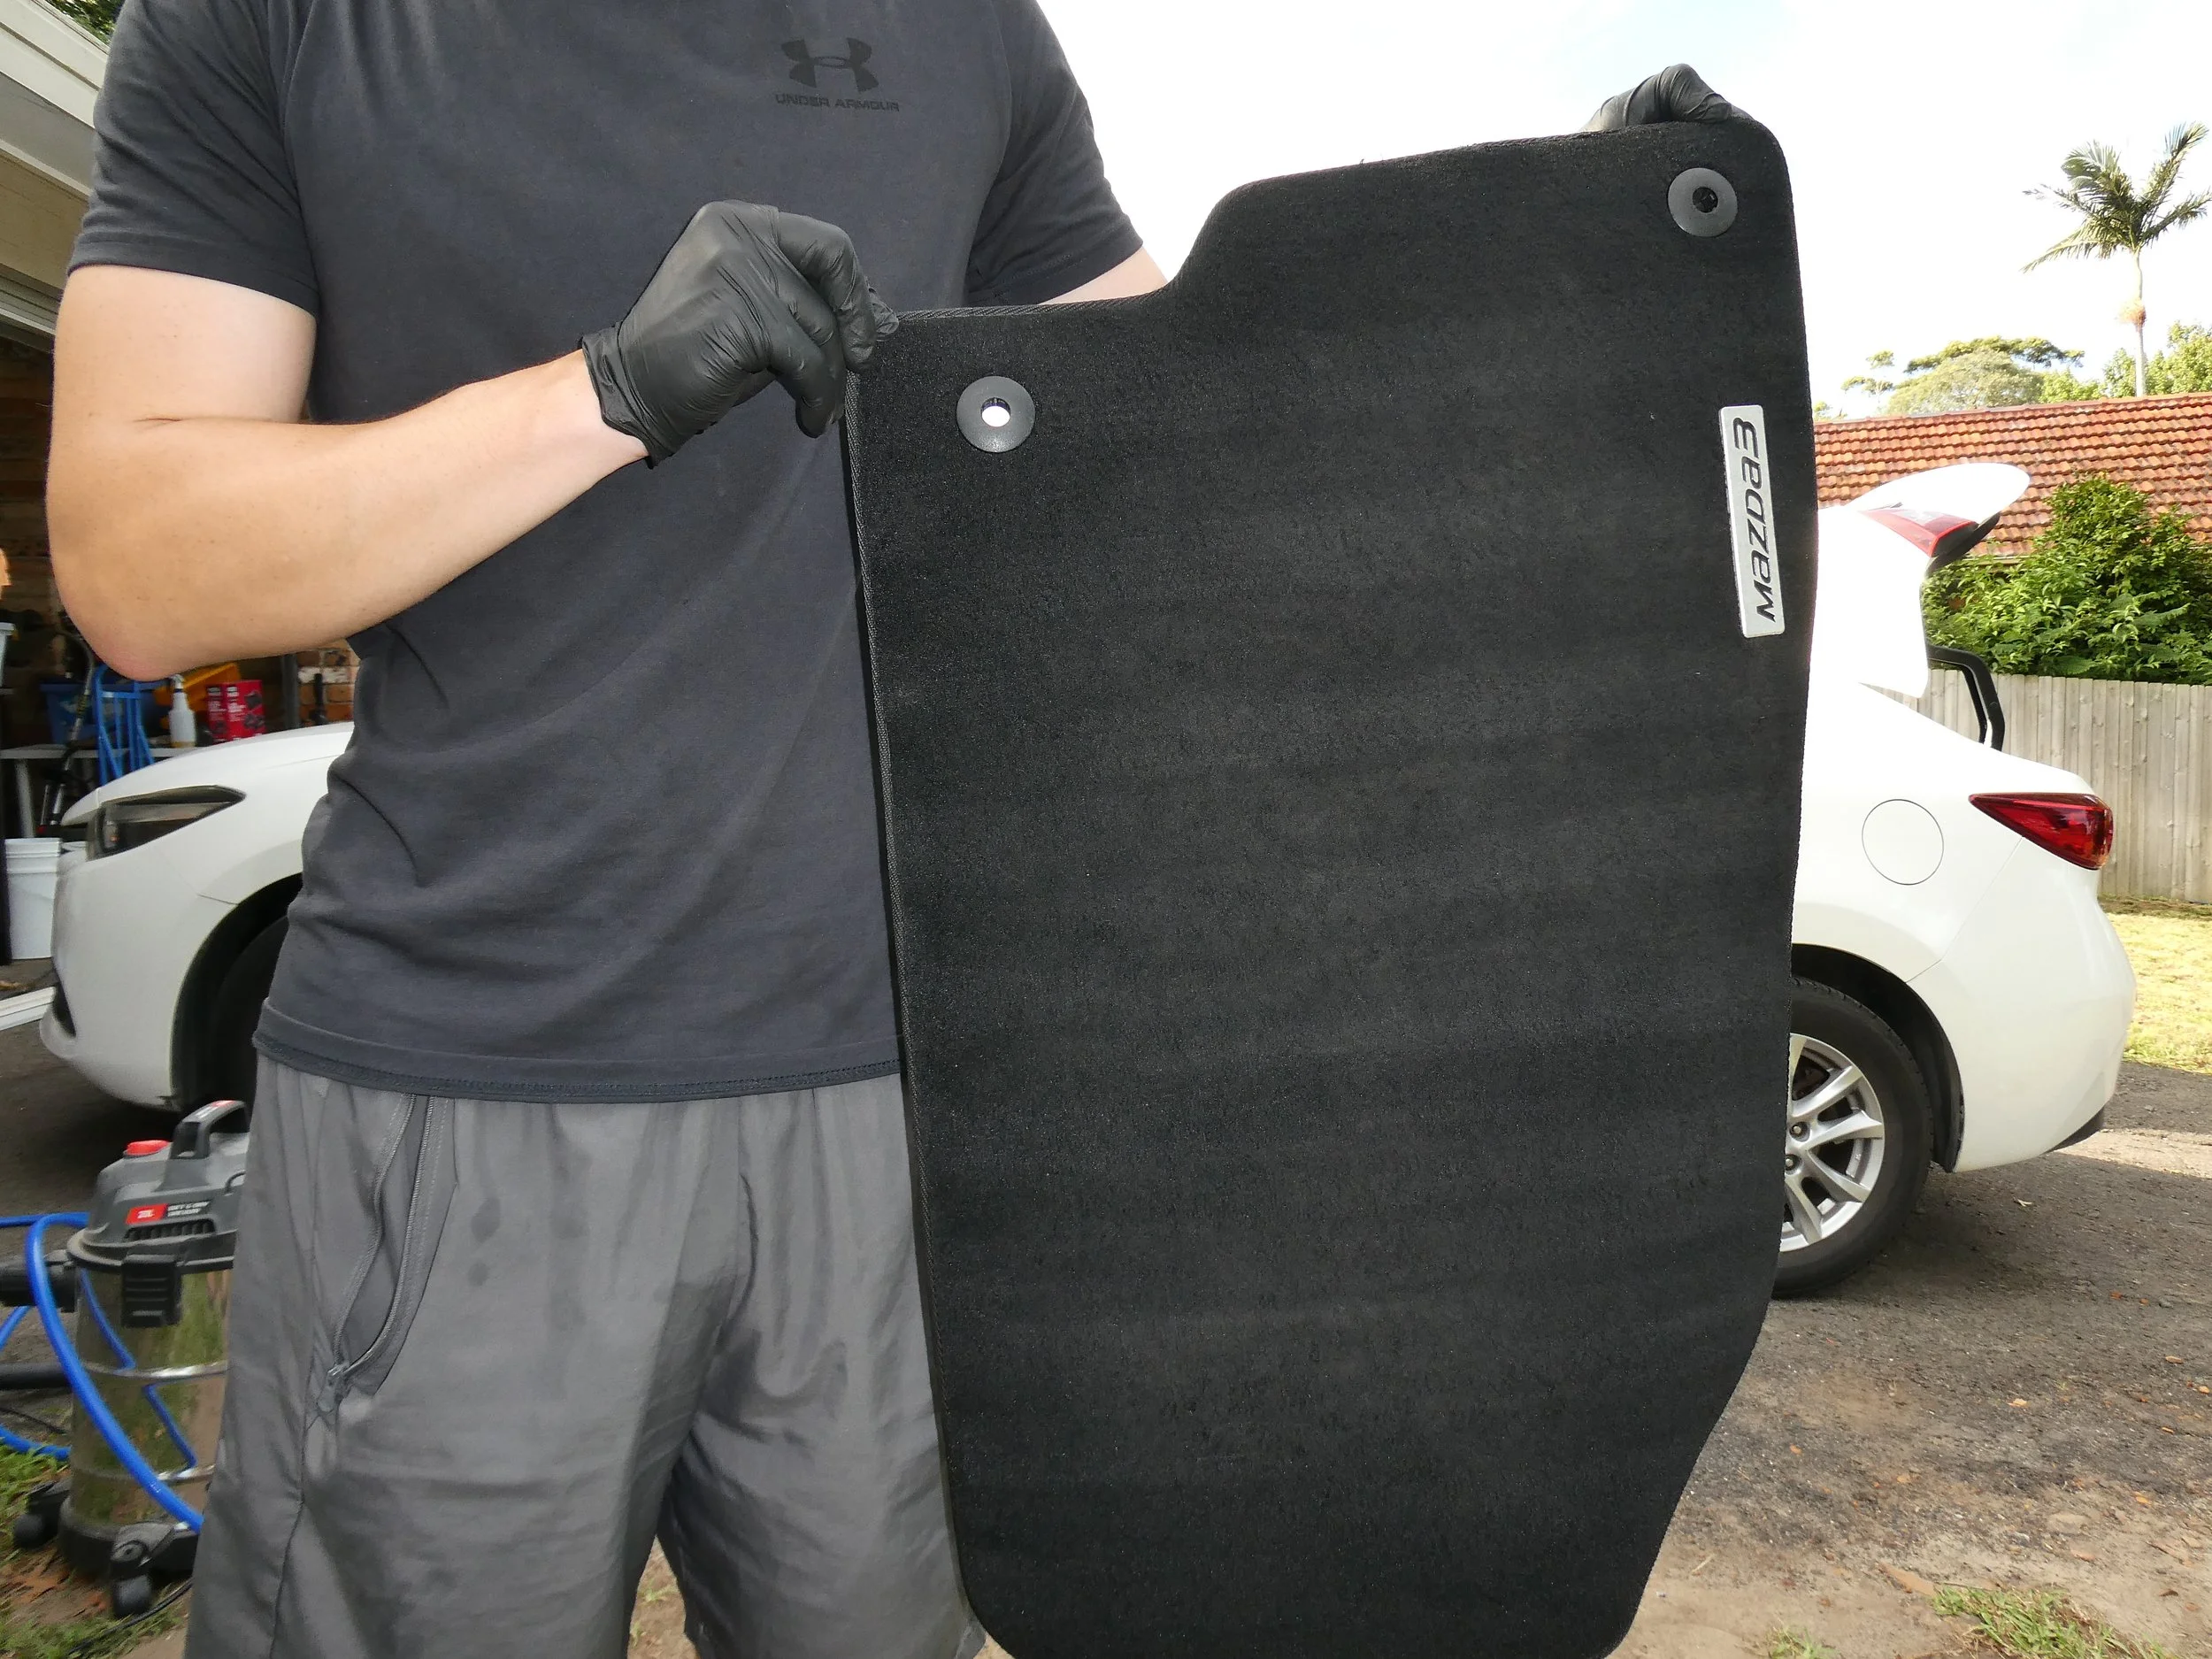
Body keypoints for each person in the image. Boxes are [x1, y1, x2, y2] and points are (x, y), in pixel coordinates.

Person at [47, 0, 1738, 1640]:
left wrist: (1560, 257)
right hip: (472, 1097)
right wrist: (607, 391)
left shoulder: (962, 30)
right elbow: (132, 561)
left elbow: (1205, 429)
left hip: (918, 1115)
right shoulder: (271, 22)